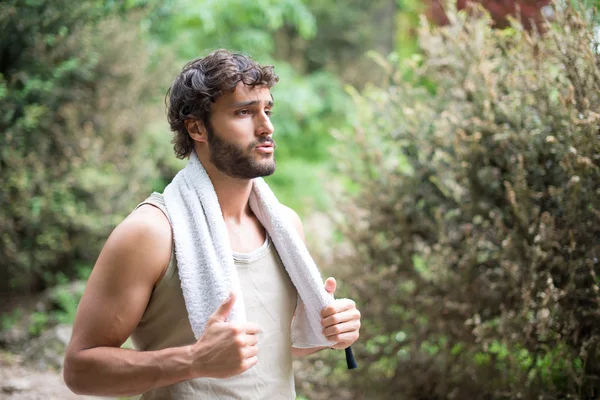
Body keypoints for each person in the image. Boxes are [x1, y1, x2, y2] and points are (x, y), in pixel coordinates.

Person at [63, 49, 361, 399]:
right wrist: (193, 360)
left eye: (267, 109)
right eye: (244, 112)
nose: (266, 126)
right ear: (196, 127)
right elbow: (80, 371)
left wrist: (330, 329)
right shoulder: (151, 232)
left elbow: (266, 352)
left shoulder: (285, 226)